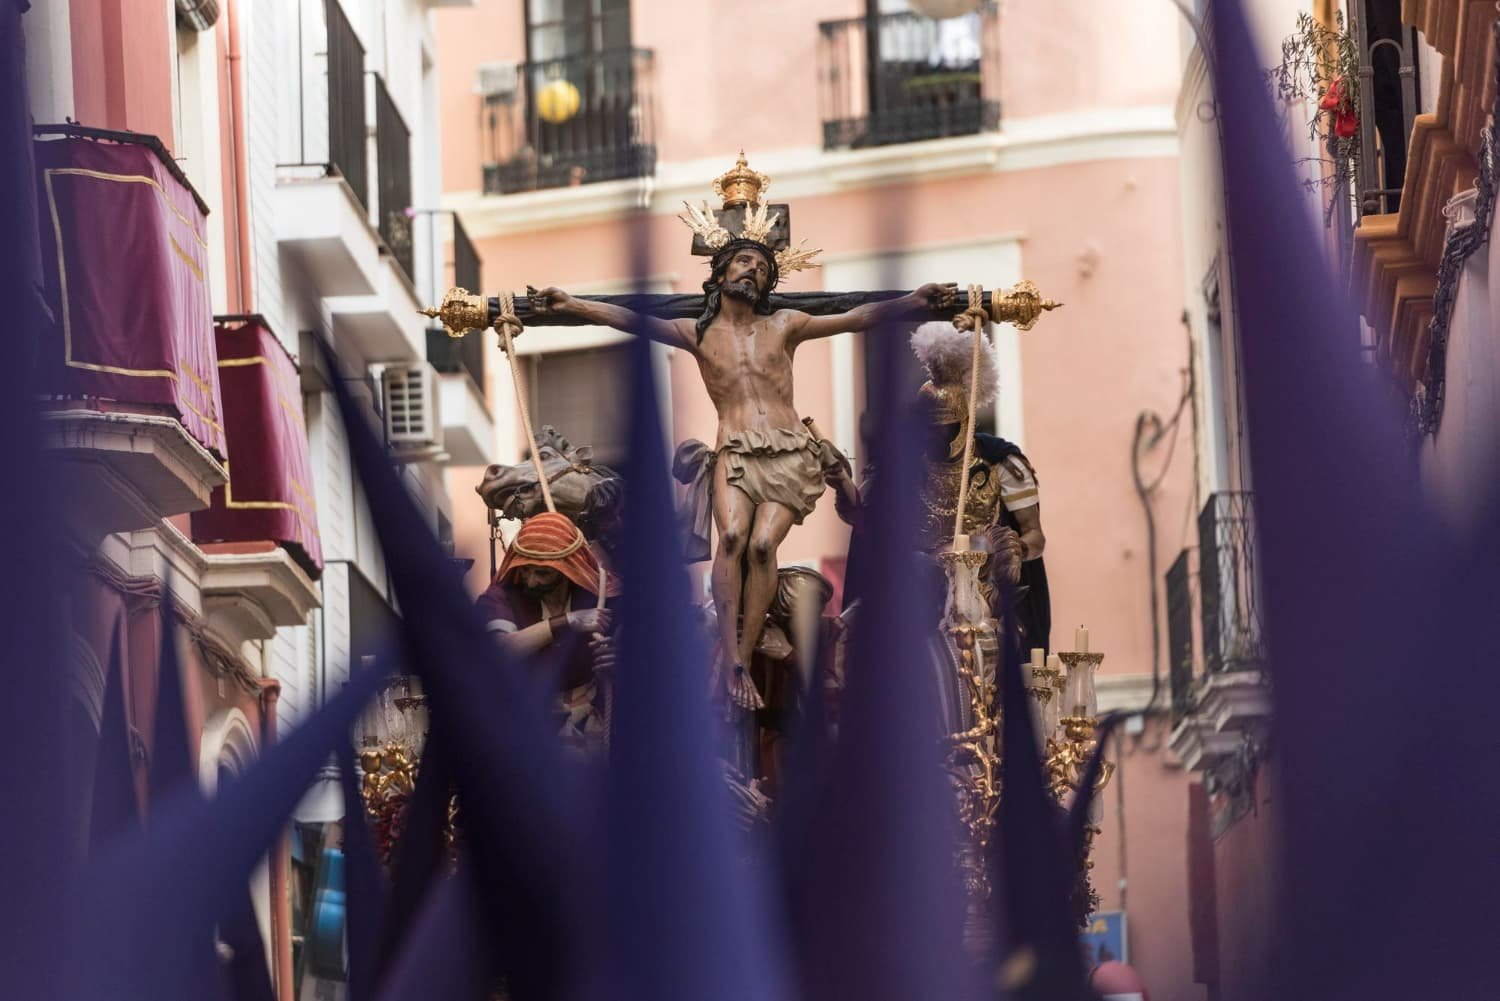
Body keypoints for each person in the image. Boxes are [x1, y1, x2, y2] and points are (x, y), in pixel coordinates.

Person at [530, 232, 954, 710]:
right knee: (731, 538)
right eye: (745, 261)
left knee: (761, 544)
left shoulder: (787, 324)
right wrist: (574, 305)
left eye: (763, 267)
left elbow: (856, 317)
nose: (753, 270)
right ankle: (732, 658)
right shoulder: (696, 333)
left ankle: (745, 657)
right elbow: (634, 320)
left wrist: (913, 301)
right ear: (722, 271)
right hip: (733, 450)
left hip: (789, 451)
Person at [475, 511, 622, 752]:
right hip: (526, 726)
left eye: (543, 573)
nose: (531, 581)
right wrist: (567, 621)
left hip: (592, 727)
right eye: (525, 569)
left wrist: (617, 658)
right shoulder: (501, 596)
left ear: (567, 569)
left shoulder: (605, 594)